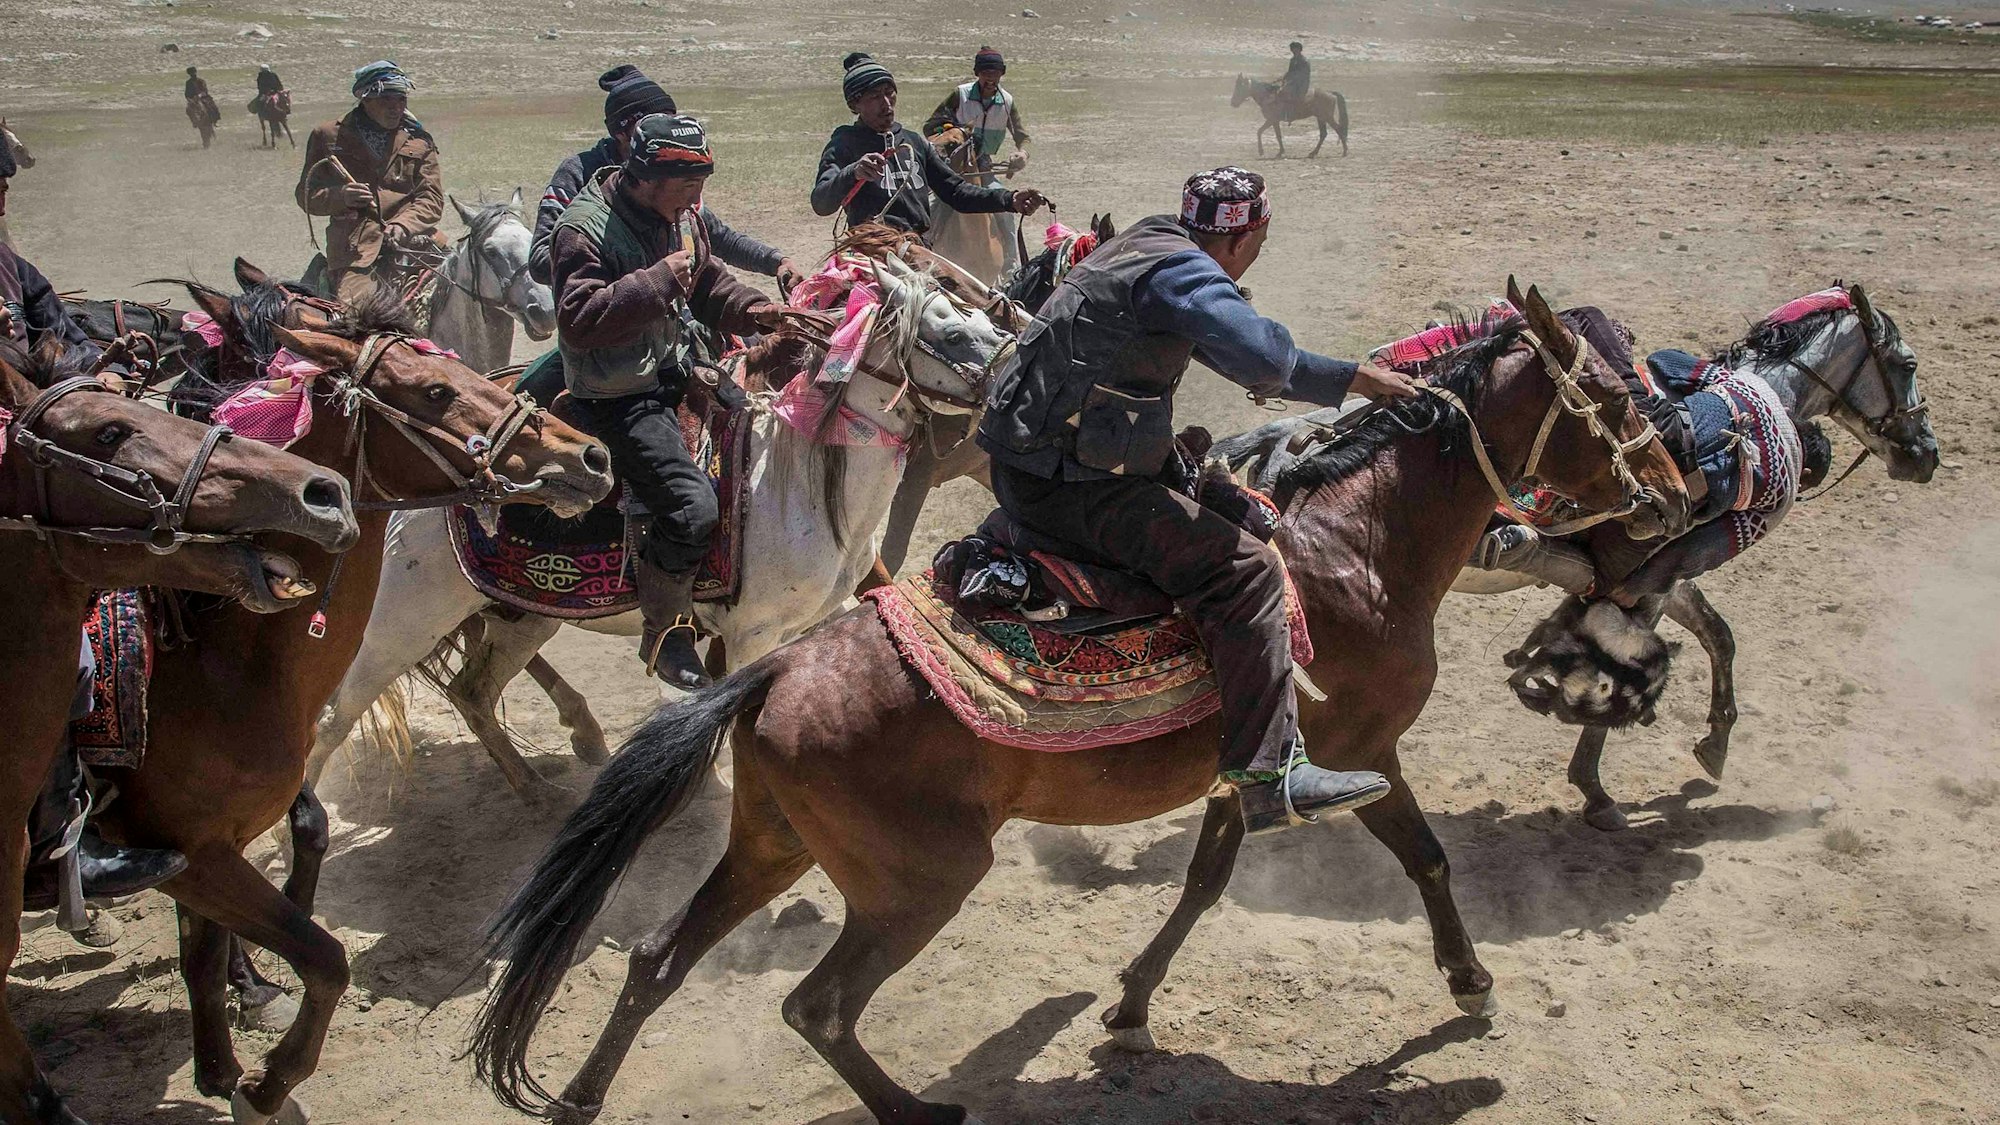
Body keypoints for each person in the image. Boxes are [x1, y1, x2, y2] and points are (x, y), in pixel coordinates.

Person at [977, 167, 1420, 833]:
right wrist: (1351, 377)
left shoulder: (1147, 240)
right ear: (1250, 235)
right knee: (1246, 569)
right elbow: (1263, 360)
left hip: (1025, 464)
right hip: (1071, 486)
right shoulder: (1187, 274)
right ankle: (1271, 774)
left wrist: (1344, 376)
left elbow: (1202, 337)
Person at [0, 142, 185, 901]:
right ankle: (55, 846)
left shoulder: (8, 261)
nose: (1, 195)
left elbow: (56, 327)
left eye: (2, 181)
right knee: (57, 655)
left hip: (29, 443)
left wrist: (94, 370)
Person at [548, 114, 789, 688]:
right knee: (693, 509)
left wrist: (759, 311)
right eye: (689, 186)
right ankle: (667, 630)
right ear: (646, 177)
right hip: (620, 395)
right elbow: (577, 320)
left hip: (678, 369)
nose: (699, 199)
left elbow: (706, 282)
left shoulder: (679, 217)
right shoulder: (583, 229)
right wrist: (656, 281)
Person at [528, 64, 803, 295]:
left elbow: (714, 236)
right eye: (649, 124)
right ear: (621, 132)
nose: (665, 132)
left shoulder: (675, 175)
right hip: (609, 319)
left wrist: (774, 261)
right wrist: (631, 263)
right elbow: (541, 259)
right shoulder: (579, 173)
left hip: (675, 308)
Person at [812, 51, 1045, 236]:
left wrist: (1009, 199)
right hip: (871, 252)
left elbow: (956, 191)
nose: (887, 104)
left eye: (889, 93)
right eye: (874, 97)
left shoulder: (914, 143)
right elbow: (821, 203)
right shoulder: (844, 143)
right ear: (855, 104)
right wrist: (854, 172)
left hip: (919, 249)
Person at [295, 60, 444, 306]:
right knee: (356, 315)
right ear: (365, 99)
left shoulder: (419, 139)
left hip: (415, 241)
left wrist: (403, 225)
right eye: (386, 100)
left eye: (401, 100)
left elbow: (432, 199)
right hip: (356, 250)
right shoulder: (329, 136)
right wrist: (341, 196)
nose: (395, 108)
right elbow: (306, 195)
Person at [922, 46, 1031, 272]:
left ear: (1002, 73)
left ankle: (1012, 266)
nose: (990, 78)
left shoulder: (1007, 102)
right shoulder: (960, 95)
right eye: (985, 72)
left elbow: (1023, 136)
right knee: (929, 207)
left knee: (1004, 209)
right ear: (977, 72)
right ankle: (922, 253)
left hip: (983, 165)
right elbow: (930, 126)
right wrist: (956, 131)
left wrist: (1023, 153)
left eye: (995, 72)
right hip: (951, 166)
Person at [184, 65, 220, 149]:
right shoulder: (188, 83)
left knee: (212, 107)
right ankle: (194, 122)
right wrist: (190, 99)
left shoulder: (201, 81)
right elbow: (186, 94)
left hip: (203, 98)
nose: (193, 74)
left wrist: (199, 96)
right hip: (193, 100)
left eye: (194, 72)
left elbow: (205, 91)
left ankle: (214, 119)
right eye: (191, 73)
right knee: (188, 110)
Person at [1279, 41, 1311, 119]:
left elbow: (1304, 74)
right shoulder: (1293, 60)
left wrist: (1292, 79)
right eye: (1292, 49)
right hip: (1293, 82)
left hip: (1302, 83)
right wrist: (1283, 78)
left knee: (1290, 94)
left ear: (1299, 50)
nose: (1293, 51)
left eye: (1295, 49)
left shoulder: (1304, 61)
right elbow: (1290, 72)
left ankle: (1293, 113)